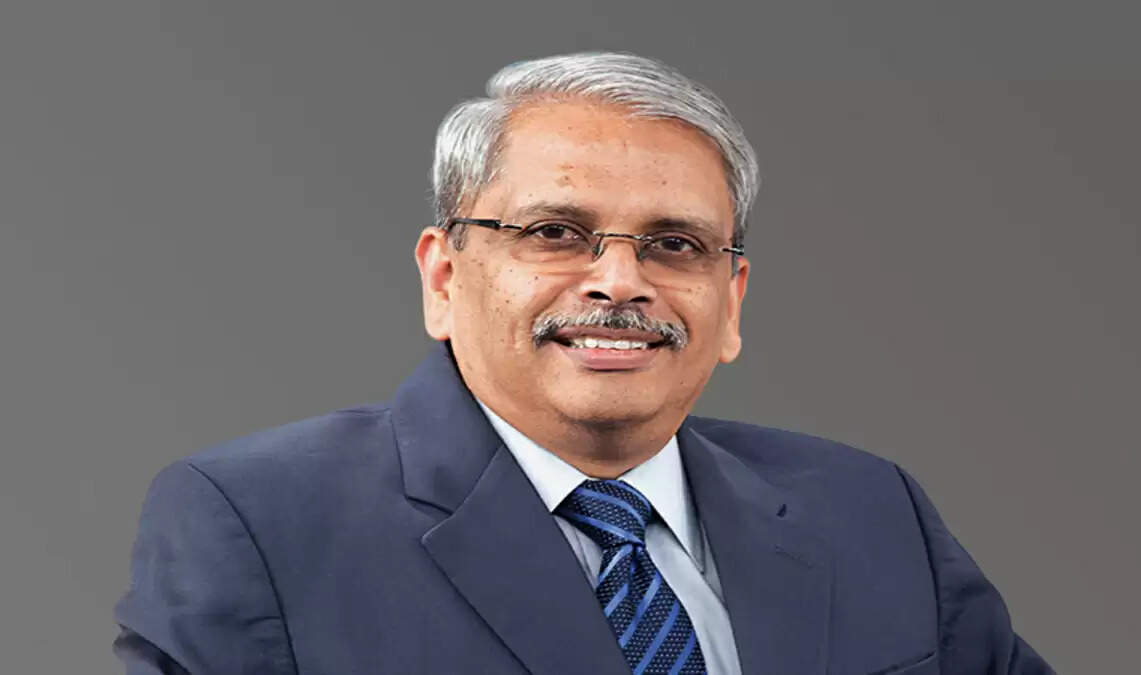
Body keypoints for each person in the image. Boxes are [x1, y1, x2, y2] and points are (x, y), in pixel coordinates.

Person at [113, 52, 1053, 674]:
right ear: (445, 277)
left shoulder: (870, 512)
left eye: (676, 244)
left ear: (731, 301)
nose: (620, 282)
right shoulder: (259, 527)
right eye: (556, 232)